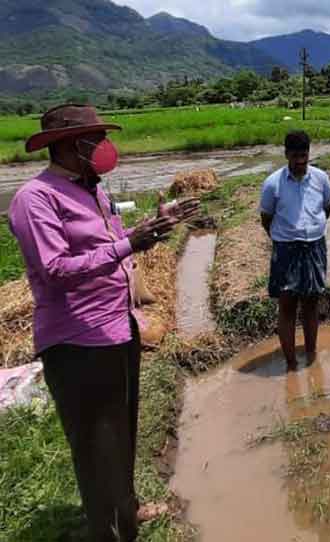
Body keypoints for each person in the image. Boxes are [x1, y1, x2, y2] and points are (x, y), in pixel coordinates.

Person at [8, 104, 199, 542]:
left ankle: (125, 509)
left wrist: (152, 226)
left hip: (116, 328)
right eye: (95, 140)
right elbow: (56, 267)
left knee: (122, 428)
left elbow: (111, 245)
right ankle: (110, 530)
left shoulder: (94, 191)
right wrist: (129, 243)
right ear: (73, 145)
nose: (103, 148)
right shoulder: (35, 199)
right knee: (97, 441)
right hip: (78, 341)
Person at [260, 130, 330, 371]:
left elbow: (327, 207)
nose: (301, 162)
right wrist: (285, 238)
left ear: (309, 153)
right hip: (286, 249)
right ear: (286, 155)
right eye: (295, 157)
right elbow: (266, 218)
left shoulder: (321, 178)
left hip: (314, 246)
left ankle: (311, 356)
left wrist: (312, 229)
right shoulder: (273, 184)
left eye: (304, 156)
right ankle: (291, 363)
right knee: (288, 305)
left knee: (312, 303)